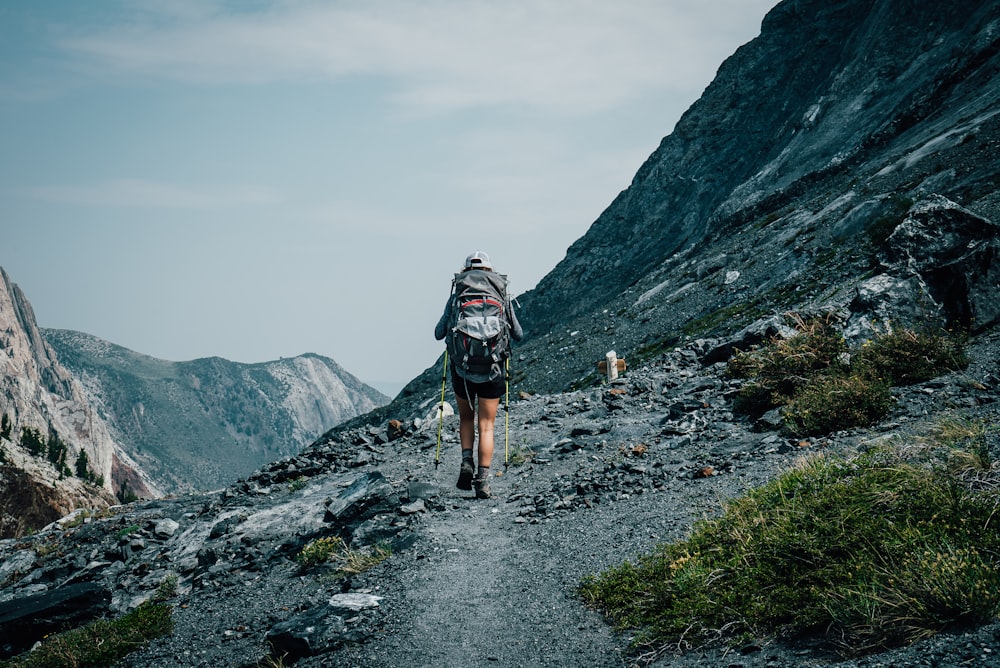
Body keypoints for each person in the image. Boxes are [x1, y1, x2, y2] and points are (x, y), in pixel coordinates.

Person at [434, 251, 523, 499]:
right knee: (487, 425)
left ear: (465, 272)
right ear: (491, 273)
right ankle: (482, 480)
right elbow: (518, 334)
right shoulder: (501, 294)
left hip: (462, 369)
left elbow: (439, 333)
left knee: (466, 417)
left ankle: (466, 462)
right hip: (493, 369)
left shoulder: (458, 296)